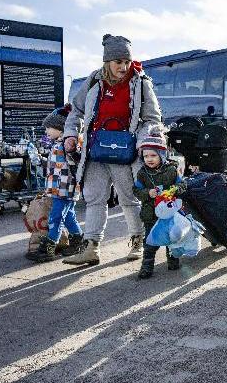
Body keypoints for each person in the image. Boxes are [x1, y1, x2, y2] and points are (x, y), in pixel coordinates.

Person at [62, 34, 162, 266]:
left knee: (129, 198)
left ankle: (139, 240)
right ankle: (91, 248)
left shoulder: (140, 83)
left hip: (125, 151)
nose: (123, 66)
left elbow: (153, 118)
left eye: (126, 62)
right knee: (95, 199)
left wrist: (144, 142)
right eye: (118, 62)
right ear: (107, 61)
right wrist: (70, 134)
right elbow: (75, 111)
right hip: (96, 151)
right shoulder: (95, 80)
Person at [28, 106, 83, 263]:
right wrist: (41, 160)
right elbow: (57, 166)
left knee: (56, 217)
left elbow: (76, 164)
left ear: (61, 128)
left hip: (65, 189)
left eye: (49, 128)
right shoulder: (58, 144)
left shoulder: (68, 145)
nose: (46, 131)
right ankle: (78, 242)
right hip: (60, 188)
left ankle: (48, 249)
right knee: (69, 217)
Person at [133, 131, 184, 279]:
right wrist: (147, 193)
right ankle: (147, 266)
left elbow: (183, 185)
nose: (149, 159)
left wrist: (174, 190)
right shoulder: (142, 173)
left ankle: (173, 260)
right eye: (146, 156)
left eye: (153, 155)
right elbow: (136, 190)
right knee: (150, 242)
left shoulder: (172, 170)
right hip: (151, 214)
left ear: (161, 154)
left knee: (171, 238)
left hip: (169, 213)